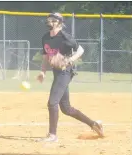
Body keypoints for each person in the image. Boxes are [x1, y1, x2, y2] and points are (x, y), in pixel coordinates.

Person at [36, 13, 104, 142]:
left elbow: (81, 50)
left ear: (60, 23)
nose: (50, 22)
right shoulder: (45, 37)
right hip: (57, 73)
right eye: (48, 19)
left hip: (65, 72)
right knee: (66, 109)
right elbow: (46, 57)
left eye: (53, 20)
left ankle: (52, 135)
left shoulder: (65, 37)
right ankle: (94, 124)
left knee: (52, 103)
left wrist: (70, 60)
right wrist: (43, 72)